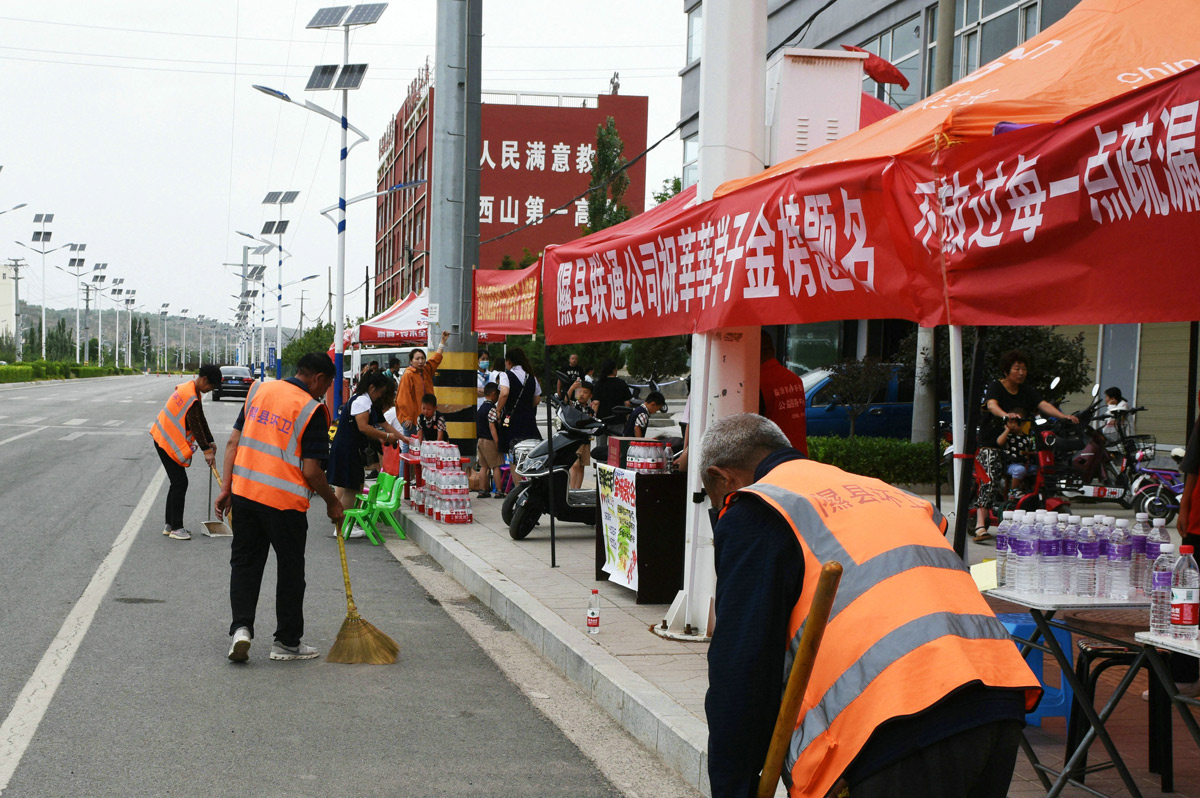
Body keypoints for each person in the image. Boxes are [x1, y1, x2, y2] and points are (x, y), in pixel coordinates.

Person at [701, 413, 1040, 798]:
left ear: (723, 478)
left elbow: (742, 672)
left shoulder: (759, 508)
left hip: (902, 724)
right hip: (996, 702)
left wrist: (733, 788)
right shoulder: (886, 493)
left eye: (716, 503)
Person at [215, 353, 344, 663]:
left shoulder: (259, 390)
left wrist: (226, 487)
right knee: (290, 571)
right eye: (326, 384)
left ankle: (241, 629)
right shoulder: (312, 410)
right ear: (318, 379)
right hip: (284, 505)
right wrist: (333, 502)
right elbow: (312, 471)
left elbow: (233, 442)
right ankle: (286, 642)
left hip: (245, 495)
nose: (324, 391)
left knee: (245, 564)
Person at [326, 371, 405, 538]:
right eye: (380, 392)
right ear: (371, 387)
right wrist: (385, 436)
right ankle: (341, 527)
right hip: (348, 449)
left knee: (356, 486)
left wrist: (398, 437)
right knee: (351, 489)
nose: (380, 396)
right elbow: (363, 427)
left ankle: (345, 523)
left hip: (350, 448)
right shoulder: (362, 401)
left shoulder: (363, 400)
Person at [150, 364, 222, 541]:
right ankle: (176, 527)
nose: (209, 391)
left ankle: (170, 525)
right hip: (165, 440)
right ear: (204, 379)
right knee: (180, 482)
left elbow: (200, 419)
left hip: (164, 439)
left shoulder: (192, 391)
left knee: (177, 482)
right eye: (210, 387)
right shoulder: (189, 395)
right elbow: (195, 425)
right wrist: (206, 450)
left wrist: (210, 441)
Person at [396, 330, 452, 445]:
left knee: (420, 448)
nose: (421, 361)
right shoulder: (408, 374)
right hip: (411, 420)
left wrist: (442, 341)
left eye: (422, 358)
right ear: (411, 361)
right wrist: (408, 418)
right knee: (409, 449)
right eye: (417, 359)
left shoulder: (426, 370)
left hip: (422, 418)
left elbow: (436, 359)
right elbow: (403, 399)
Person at [495, 347, 542, 450]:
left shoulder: (505, 375)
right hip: (529, 419)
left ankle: (513, 467)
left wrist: (498, 410)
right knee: (528, 450)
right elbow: (537, 400)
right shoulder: (532, 377)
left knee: (512, 451)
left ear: (509, 362)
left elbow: (504, 393)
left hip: (511, 419)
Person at [476, 382, 505, 498]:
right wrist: (497, 442)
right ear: (493, 394)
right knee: (496, 465)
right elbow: (492, 426)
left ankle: (483, 490)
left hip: (480, 440)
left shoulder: (481, 408)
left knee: (483, 466)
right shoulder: (492, 409)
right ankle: (499, 490)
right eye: (497, 395)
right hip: (489, 440)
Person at [568, 380, 596, 490]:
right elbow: (565, 400)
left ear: (590, 395)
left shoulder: (590, 411)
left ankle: (578, 489)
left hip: (585, 441)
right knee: (574, 464)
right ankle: (572, 489)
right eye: (580, 391)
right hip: (574, 440)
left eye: (585, 392)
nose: (582, 394)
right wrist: (571, 388)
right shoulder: (574, 406)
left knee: (581, 466)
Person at [593, 358, 632, 427]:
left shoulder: (599, 384)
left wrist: (593, 419)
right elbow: (627, 403)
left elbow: (596, 403)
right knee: (616, 438)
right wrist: (628, 418)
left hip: (602, 420)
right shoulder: (622, 383)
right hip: (618, 420)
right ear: (614, 370)